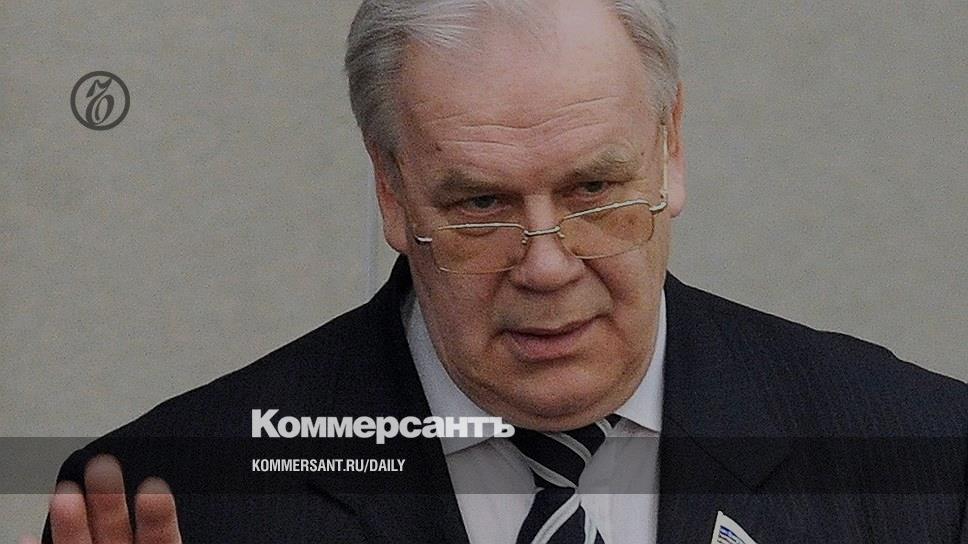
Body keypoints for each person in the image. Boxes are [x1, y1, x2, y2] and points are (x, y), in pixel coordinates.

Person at [31, 1, 966, 543]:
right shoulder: (181, 496)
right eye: (481, 204)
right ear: (392, 191)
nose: (548, 265)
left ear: (671, 149)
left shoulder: (923, 462)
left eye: (594, 189)